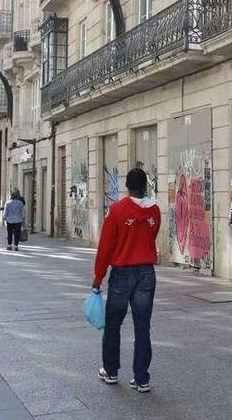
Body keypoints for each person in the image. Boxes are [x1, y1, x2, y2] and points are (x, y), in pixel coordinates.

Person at [93, 168, 161, 391]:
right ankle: (142, 379)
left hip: (122, 273)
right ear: (145, 186)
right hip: (146, 274)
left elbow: (105, 246)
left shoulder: (117, 210)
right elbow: (152, 235)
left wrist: (98, 277)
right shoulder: (155, 211)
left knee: (113, 324)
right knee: (143, 327)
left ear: (127, 186)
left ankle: (110, 371)